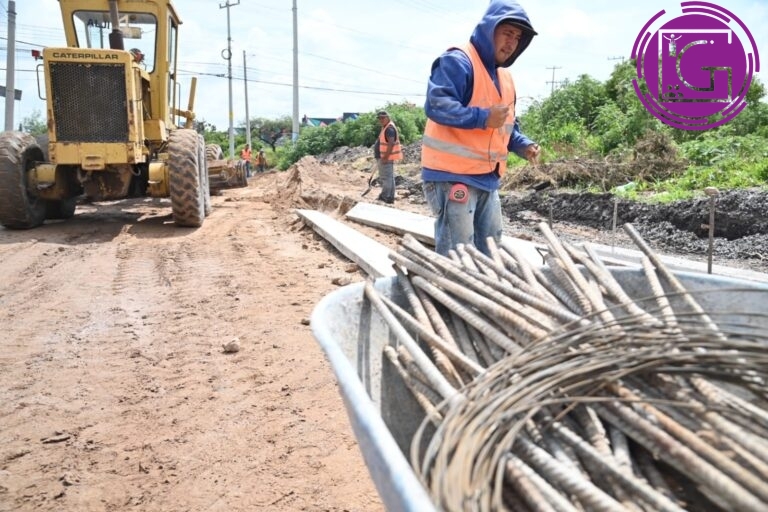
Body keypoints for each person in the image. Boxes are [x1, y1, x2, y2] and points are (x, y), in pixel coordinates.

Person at [421, 0, 540, 257]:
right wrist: (483, 118)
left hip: (487, 178)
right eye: (507, 33)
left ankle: (484, 295)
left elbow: (506, 126)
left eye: (518, 38)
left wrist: (523, 144)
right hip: (452, 175)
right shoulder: (458, 61)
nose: (511, 43)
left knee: (491, 248)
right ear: (489, 29)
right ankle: (453, 297)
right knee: (459, 251)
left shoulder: (505, 78)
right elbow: (437, 105)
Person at [373, 110, 402, 204]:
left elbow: (391, 143)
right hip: (384, 157)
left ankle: (385, 196)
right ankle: (390, 197)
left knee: (386, 178)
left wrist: (385, 157)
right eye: (379, 118)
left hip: (385, 157)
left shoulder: (389, 128)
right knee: (389, 177)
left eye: (383, 117)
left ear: (388, 117)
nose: (381, 120)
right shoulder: (385, 127)